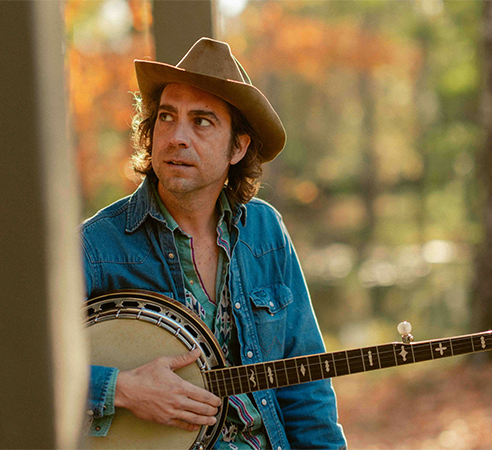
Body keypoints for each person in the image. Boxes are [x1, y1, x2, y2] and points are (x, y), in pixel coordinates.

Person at [81, 37, 347, 450]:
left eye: (201, 121)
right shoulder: (96, 247)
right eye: (166, 117)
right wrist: (122, 389)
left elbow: (305, 386)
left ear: (238, 147)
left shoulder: (265, 230)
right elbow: (23, 362)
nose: (176, 137)